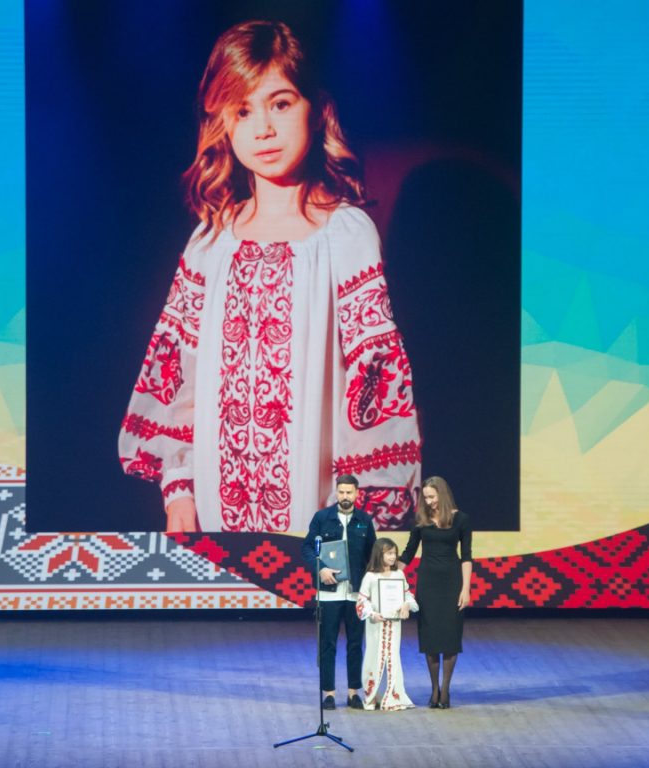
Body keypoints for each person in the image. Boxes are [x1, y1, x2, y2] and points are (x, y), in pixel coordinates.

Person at [118, 20, 421, 533]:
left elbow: (374, 385)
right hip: (215, 517)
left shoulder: (346, 236)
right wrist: (179, 490)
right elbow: (178, 378)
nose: (262, 128)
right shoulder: (210, 243)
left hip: (319, 518)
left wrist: (362, 518)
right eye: (242, 110)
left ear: (316, 109)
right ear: (223, 122)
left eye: (280, 104)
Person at [301, 474, 377, 710]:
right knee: (328, 643)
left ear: (357, 493)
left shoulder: (364, 520)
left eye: (349, 492)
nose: (345, 496)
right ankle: (329, 693)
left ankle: (354, 692)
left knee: (355, 643)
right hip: (328, 593)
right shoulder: (322, 518)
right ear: (336, 492)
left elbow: (372, 555)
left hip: (355, 593)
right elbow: (308, 548)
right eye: (341, 492)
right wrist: (321, 569)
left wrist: (372, 588)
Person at [399, 476, 472, 709]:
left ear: (442, 494)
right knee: (430, 638)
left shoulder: (461, 520)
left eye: (432, 496)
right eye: (426, 497)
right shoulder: (421, 520)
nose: (429, 501)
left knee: (450, 638)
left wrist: (466, 589)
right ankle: (434, 690)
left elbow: (467, 556)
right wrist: (387, 574)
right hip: (428, 584)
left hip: (452, 583)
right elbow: (409, 552)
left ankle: (446, 690)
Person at [356, 538, 419, 711]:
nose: (393, 557)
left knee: (393, 658)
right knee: (373, 658)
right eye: (389, 553)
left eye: (394, 553)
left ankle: (393, 696)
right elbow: (362, 600)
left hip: (394, 625)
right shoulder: (370, 576)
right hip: (376, 625)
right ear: (379, 554)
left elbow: (408, 595)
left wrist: (407, 605)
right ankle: (371, 696)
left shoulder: (399, 574)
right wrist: (372, 614)